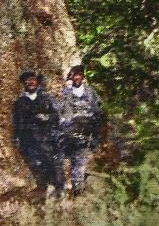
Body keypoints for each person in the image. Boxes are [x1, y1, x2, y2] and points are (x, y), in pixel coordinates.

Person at [12, 70, 64, 199]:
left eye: (33, 80)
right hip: (28, 140)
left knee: (52, 162)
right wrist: (16, 138)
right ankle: (42, 187)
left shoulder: (47, 98)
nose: (30, 82)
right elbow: (15, 122)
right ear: (24, 83)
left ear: (37, 82)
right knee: (34, 164)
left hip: (46, 138)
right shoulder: (19, 102)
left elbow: (57, 116)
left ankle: (58, 188)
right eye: (27, 80)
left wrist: (47, 117)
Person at [58, 65, 102, 196]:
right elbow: (63, 112)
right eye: (74, 74)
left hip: (85, 135)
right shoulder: (65, 92)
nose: (77, 77)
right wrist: (67, 89)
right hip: (69, 136)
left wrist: (95, 132)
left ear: (83, 76)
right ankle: (76, 190)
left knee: (80, 163)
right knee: (74, 163)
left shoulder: (90, 92)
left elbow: (97, 111)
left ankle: (78, 191)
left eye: (79, 74)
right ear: (70, 77)